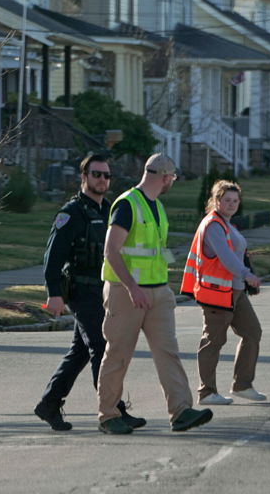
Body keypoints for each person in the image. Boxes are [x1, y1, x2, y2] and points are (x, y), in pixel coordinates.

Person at [95, 153, 213, 435]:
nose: (171, 182)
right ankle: (108, 415)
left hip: (158, 293)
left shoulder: (157, 207)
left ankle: (181, 411)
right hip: (127, 293)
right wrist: (133, 288)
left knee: (167, 352)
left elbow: (153, 252)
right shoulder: (127, 204)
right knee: (118, 354)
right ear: (165, 177)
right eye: (172, 178)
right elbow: (111, 251)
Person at [34, 152, 145, 431]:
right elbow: (53, 256)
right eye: (96, 174)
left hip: (105, 289)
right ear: (83, 177)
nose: (102, 180)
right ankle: (112, 412)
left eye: (106, 175)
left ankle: (49, 403)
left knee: (80, 351)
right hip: (81, 291)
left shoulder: (109, 210)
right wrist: (54, 293)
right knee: (102, 346)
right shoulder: (70, 213)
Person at [180, 179, 265, 406]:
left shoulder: (227, 225)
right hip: (216, 293)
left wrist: (245, 277)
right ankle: (206, 392)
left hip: (234, 292)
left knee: (252, 332)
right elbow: (226, 257)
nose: (231, 204)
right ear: (216, 201)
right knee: (213, 341)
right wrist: (247, 274)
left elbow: (235, 254)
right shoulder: (213, 225)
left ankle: (243, 385)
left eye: (235, 200)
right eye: (226, 200)